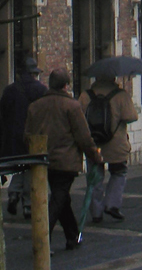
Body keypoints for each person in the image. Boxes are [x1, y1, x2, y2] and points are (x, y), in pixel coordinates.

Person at [24, 68, 103, 249]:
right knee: (59, 198)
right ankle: (43, 238)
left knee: (62, 198)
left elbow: (27, 135)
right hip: (65, 160)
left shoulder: (35, 106)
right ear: (66, 86)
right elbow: (83, 136)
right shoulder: (72, 106)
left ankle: (72, 235)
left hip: (42, 159)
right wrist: (94, 155)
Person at [78, 74, 139, 223]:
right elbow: (132, 116)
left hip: (93, 143)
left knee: (95, 177)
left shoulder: (86, 95)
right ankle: (112, 204)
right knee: (119, 172)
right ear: (113, 78)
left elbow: (78, 117)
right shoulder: (121, 95)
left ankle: (96, 212)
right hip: (115, 144)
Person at [0, 56, 47, 218]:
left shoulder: (9, 90)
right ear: (33, 74)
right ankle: (28, 204)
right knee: (30, 167)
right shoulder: (41, 90)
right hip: (34, 136)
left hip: (13, 136)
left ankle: (14, 192)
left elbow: (2, 113)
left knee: (21, 166)